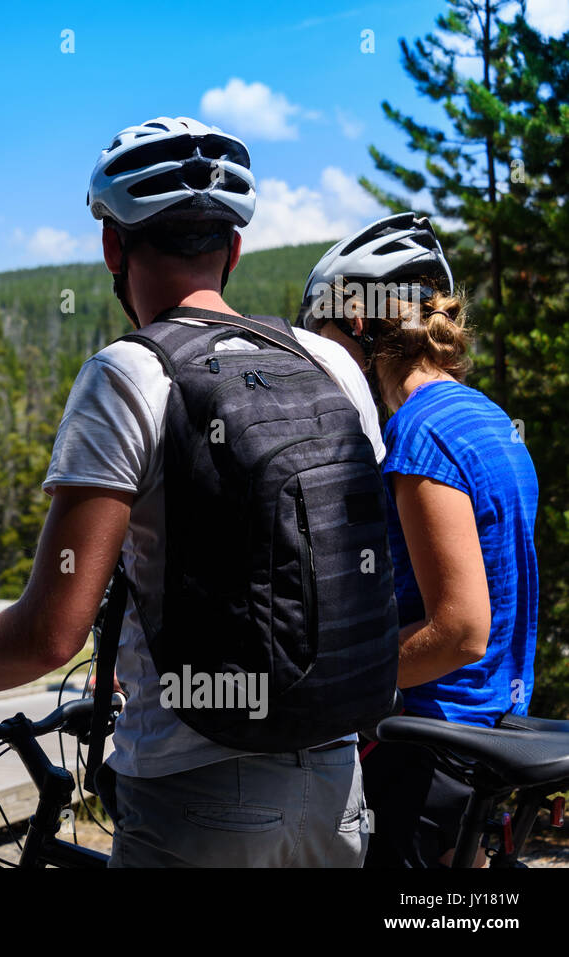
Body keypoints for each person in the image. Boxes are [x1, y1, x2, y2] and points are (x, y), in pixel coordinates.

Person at [0, 117, 388, 867]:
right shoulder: (331, 361)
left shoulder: (128, 374)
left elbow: (49, 633)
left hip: (196, 791)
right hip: (337, 788)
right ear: (232, 248)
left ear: (112, 247)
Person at [297, 212, 540, 867]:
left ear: (357, 327)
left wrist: (328, 686)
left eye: (322, 343)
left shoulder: (420, 435)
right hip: (477, 742)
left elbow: (460, 628)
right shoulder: (485, 418)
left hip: (426, 748)